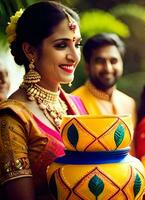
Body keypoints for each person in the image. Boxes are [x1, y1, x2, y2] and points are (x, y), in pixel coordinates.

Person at [0, 2, 87, 199]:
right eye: (61, 45)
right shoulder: (11, 119)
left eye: (77, 44)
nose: (74, 56)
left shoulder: (77, 105)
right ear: (30, 51)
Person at [72, 33, 136, 124]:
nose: (108, 68)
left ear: (122, 63)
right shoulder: (72, 103)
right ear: (87, 66)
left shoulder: (129, 103)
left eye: (113, 61)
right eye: (100, 61)